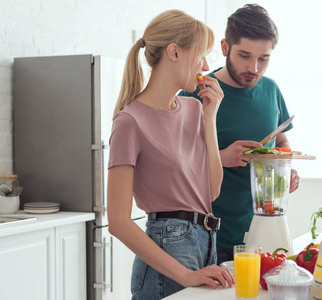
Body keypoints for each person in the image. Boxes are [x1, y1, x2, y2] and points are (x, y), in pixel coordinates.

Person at [107, 9, 234, 300]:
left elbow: (211, 191)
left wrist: (210, 116)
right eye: (201, 55)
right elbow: (118, 221)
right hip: (169, 251)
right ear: (174, 52)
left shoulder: (192, 109)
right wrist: (186, 275)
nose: (205, 66)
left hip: (206, 242)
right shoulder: (130, 121)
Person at [179, 4, 300, 265]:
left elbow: (281, 139)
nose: (254, 68)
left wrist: (285, 165)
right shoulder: (195, 92)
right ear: (225, 48)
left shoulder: (271, 90)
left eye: (263, 58)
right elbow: (170, 165)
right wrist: (220, 157)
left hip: (258, 233)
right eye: (245, 55)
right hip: (203, 236)